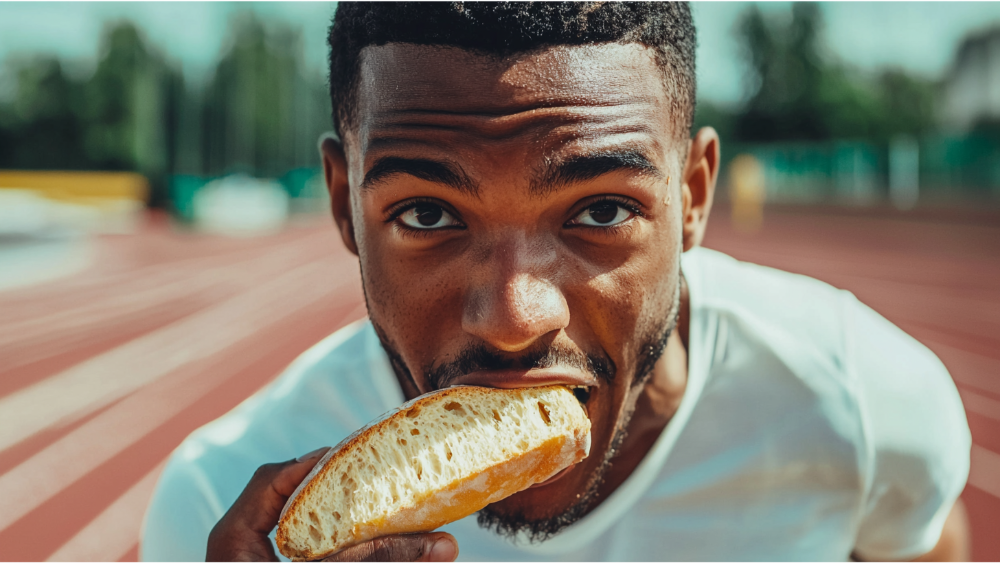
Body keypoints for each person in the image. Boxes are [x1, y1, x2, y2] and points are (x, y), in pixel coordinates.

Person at [141, 2, 972, 562]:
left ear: (691, 197)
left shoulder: (860, 405)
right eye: (428, 216)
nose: (512, 317)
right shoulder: (225, 512)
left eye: (602, 209)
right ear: (342, 204)